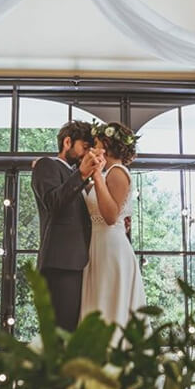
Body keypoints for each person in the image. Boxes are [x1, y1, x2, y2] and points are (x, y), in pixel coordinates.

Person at [31, 120, 105, 332]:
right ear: (67, 142)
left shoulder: (78, 178)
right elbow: (53, 203)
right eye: (84, 147)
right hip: (60, 264)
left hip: (80, 263)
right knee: (60, 334)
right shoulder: (46, 165)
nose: (86, 154)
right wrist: (81, 174)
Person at [80, 121, 146, 328]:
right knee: (99, 306)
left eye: (97, 144)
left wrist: (97, 175)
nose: (93, 149)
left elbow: (110, 216)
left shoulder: (118, 172)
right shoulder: (106, 174)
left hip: (111, 248)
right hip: (98, 245)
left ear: (107, 145)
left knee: (109, 308)